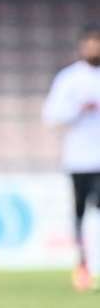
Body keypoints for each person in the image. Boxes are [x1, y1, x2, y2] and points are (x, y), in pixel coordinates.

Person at [42, 25, 100, 292]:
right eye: (91, 44)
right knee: (79, 214)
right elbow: (51, 116)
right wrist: (78, 109)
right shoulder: (69, 78)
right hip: (79, 159)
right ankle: (83, 266)